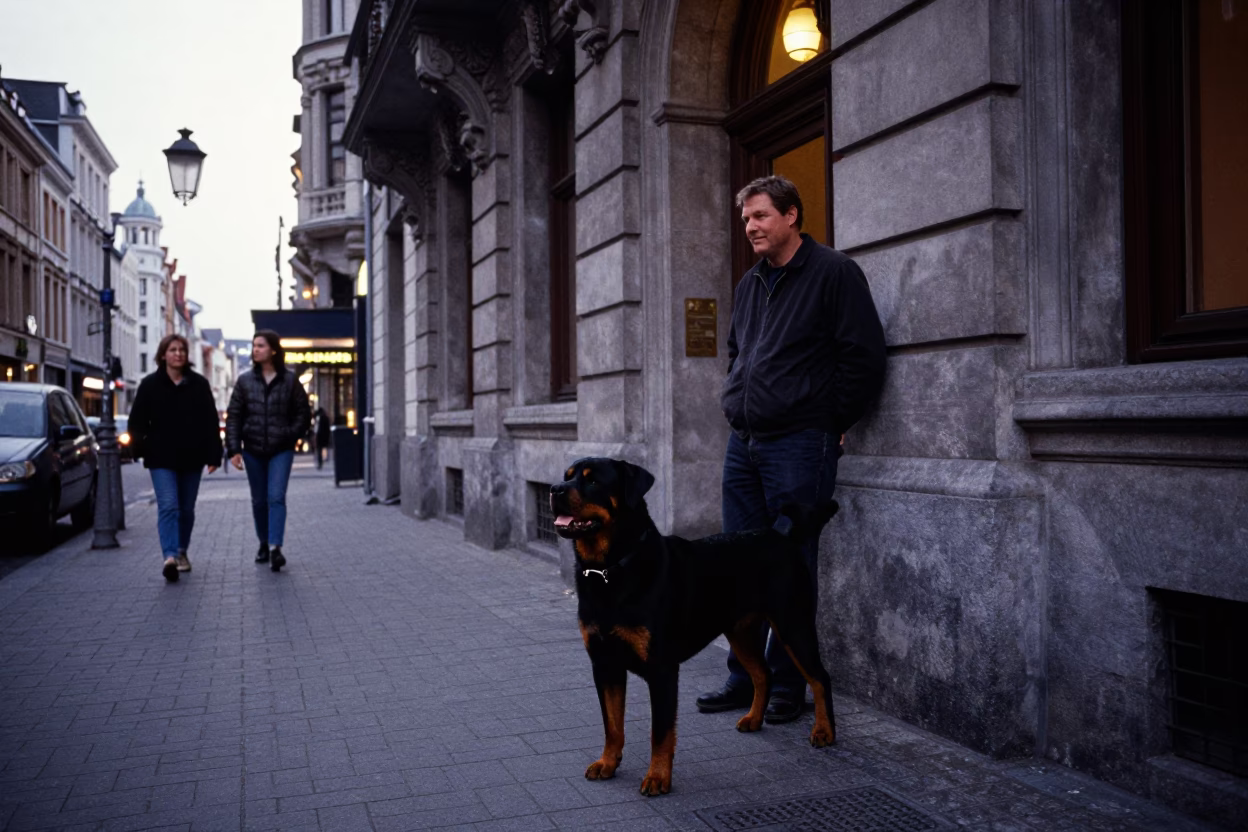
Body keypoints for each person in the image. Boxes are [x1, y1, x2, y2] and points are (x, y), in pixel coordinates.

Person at [697, 175, 887, 724]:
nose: (751, 227)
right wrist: (737, 398)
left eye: (760, 216)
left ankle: (788, 684)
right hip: (745, 443)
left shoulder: (834, 273)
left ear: (791, 216)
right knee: (737, 564)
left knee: (789, 567)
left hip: (801, 443)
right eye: (746, 219)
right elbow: (738, 352)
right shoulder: (749, 283)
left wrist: (832, 419)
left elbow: (864, 357)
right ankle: (744, 676)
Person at [127, 334, 223, 583]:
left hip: (192, 457)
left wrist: (214, 454)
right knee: (169, 505)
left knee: (187, 510)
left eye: (181, 350)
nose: (178, 353)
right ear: (163, 355)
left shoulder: (199, 385)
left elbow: (210, 423)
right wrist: (140, 449)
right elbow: (137, 422)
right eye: (172, 349)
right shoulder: (149, 385)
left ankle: (181, 550)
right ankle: (169, 556)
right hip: (161, 458)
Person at [226, 330, 311, 572]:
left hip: (280, 449)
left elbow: (304, 414)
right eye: (254, 346)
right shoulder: (244, 381)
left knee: (276, 497)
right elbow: (234, 417)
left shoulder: (290, 381)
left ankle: (275, 548)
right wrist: (234, 449)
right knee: (259, 500)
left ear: (273, 350)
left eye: (260, 346)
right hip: (252, 449)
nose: (255, 350)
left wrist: (288, 434)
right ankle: (263, 541)